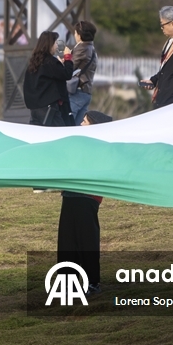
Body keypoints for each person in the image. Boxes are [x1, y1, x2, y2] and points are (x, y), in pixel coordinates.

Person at [57, 110, 112, 294]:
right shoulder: (78, 145)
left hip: (87, 198)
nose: (80, 124)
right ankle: (67, 282)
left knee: (86, 241)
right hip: (70, 196)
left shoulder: (101, 149)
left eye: (85, 121)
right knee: (67, 242)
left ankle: (92, 282)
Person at [23, 31, 74, 126]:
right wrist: (68, 58)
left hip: (34, 108)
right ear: (50, 44)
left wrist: (59, 65)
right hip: (49, 107)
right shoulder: (50, 62)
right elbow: (67, 74)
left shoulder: (33, 63)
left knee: (39, 133)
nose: (57, 46)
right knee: (60, 132)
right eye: (55, 43)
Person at [63, 20, 98, 124]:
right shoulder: (91, 48)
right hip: (86, 91)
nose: (74, 35)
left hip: (77, 91)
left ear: (79, 35)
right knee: (79, 127)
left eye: (75, 32)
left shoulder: (82, 48)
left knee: (67, 123)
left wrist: (66, 57)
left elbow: (70, 68)